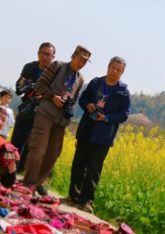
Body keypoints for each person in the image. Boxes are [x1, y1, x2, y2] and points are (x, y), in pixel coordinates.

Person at [63, 56, 131, 213]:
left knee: (94, 168)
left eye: (118, 70)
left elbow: (124, 115)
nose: (114, 71)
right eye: (112, 67)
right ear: (108, 67)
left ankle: (86, 201)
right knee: (79, 164)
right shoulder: (95, 83)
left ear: (122, 73)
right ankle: (73, 196)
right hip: (87, 128)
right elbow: (82, 99)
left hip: (103, 135)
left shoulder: (123, 92)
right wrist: (88, 105)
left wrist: (106, 118)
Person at [23, 46, 88, 196]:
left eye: (84, 62)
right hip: (45, 113)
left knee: (54, 153)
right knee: (38, 148)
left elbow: (75, 97)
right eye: (80, 60)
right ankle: (29, 183)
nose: (81, 64)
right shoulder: (57, 66)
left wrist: (69, 104)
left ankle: (39, 182)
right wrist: (53, 97)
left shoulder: (80, 78)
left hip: (61, 121)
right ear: (73, 56)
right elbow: (40, 85)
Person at [11, 42, 56, 172]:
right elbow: (19, 89)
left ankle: (25, 171)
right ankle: (9, 169)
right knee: (16, 142)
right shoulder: (30, 67)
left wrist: (45, 95)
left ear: (53, 57)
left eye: (49, 54)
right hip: (27, 108)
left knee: (36, 145)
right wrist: (21, 84)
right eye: (43, 53)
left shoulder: (55, 72)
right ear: (38, 53)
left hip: (43, 112)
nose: (45, 57)